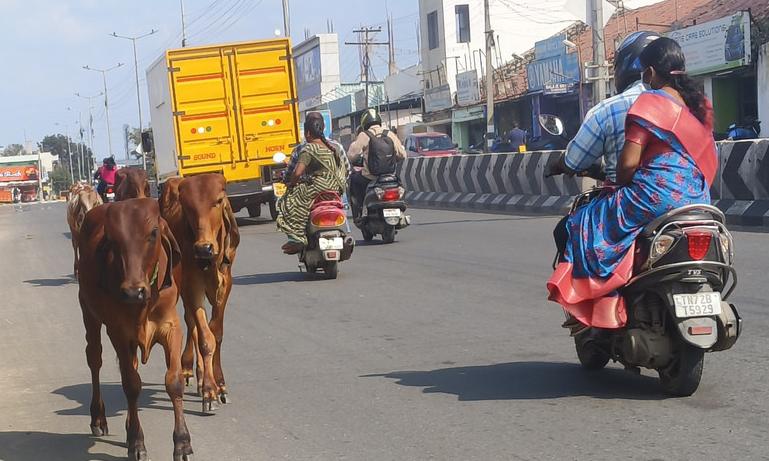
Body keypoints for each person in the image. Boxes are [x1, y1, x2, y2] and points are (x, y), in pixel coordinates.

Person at [547, 37, 718, 333]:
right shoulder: (699, 106)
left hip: (653, 197)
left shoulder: (648, 103)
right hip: (698, 200)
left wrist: (623, 181)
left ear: (649, 73)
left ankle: (603, 303)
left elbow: (626, 167)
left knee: (582, 224)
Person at [549, 31, 661, 183]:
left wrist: (557, 165)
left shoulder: (608, 111)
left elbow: (573, 162)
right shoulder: (684, 107)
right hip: (686, 194)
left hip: (627, 195)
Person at [276, 112, 348, 254]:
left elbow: (297, 173)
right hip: (336, 189)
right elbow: (347, 170)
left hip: (318, 189)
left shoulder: (307, 148)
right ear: (323, 128)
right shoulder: (335, 147)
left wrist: (291, 184)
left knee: (287, 202)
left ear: (307, 132)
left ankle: (297, 237)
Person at [347, 108, 406, 219]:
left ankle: (360, 211)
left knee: (354, 179)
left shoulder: (364, 135)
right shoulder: (390, 134)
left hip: (370, 177)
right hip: (390, 177)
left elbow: (351, 155)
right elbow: (402, 154)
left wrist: (356, 160)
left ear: (364, 122)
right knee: (400, 185)